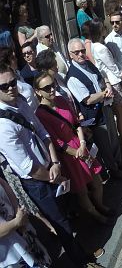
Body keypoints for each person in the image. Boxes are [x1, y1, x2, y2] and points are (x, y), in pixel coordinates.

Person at [0, 62, 102, 267]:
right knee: (61, 223)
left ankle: (81, 249)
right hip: (38, 181)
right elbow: (27, 167)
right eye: (4, 86)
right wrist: (53, 175)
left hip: (52, 166)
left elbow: (42, 132)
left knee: (67, 212)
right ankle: (81, 261)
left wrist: (55, 162)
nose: (11, 87)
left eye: (13, 82)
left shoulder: (20, 101)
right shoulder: (2, 125)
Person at [33, 72, 110, 225]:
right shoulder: (41, 114)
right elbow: (56, 142)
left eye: (53, 85)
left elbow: (75, 123)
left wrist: (82, 144)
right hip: (68, 155)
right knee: (81, 190)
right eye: (46, 88)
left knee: (96, 179)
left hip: (79, 145)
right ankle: (95, 214)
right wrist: (76, 153)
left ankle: (100, 205)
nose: (52, 90)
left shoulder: (61, 100)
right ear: (38, 92)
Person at [65, 38, 122, 181]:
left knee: (113, 137)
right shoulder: (72, 76)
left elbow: (101, 77)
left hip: (105, 107)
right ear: (70, 54)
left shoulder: (88, 64)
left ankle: (118, 163)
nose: (81, 54)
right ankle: (113, 170)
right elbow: (87, 99)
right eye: (77, 52)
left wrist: (108, 85)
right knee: (105, 144)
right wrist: (104, 94)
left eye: (82, 51)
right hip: (94, 116)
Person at [86, 20, 122, 151]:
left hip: (112, 81)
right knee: (121, 114)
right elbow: (113, 67)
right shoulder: (101, 47)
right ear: (100, 30)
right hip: (114, 82)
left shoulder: (95, 45)